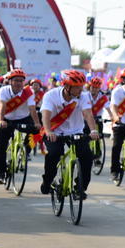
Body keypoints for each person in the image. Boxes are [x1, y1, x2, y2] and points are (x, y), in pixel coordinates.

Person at [40, 70, 99, 198]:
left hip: (76, 131)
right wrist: (49, 131)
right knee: (54, 154)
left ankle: (80, 188)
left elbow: (88, 114)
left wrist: (93, 130)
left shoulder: (83, 96)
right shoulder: (51, 95)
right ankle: (47, 181)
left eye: (82, 86)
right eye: (78, 87)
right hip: (55, 132)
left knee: (87, 157)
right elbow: (45, 115)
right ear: (67, 86)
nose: (81, 89)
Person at [0, 69, 41, 184]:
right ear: (10, 81)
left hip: (24, 118)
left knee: (35, 130)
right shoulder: (3, 91)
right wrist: (1, 120)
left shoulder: (28, 92)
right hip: (7, 119)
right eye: (16, 80)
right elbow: (2, 106)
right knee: (0, 147)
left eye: (21, 81)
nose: (18, 83)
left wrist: (37, 123)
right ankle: (0, 173)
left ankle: (26, 151)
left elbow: (32, 109)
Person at [86, 77, 109, 165]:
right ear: (89, 87)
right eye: (92, 87)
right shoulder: (85, 95)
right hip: (87, 119)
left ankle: (97, 156)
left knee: (99, 137)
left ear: (99, 88)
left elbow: (108, 108)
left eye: (96, 88)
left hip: (98, 118)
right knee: (86, 137)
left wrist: (112, 116)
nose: (94, 89)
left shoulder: (103, 97)